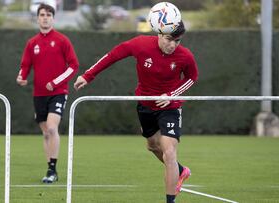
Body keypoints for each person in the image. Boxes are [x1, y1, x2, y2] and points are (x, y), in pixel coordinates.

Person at [74, 20, 198, 203]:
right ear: (159, 34)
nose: (172, 45)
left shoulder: (185, 56)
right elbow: (112, 55)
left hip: (170, 108)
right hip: (145, 105)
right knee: (152, 146)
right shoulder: (141, 44)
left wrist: (171, 95)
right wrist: (88, 75)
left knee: (169, 152)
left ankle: (170, 200)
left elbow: (192, 77)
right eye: (168, 39)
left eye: (177, 41)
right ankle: (181, 171)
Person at [16, 3, 79, 184]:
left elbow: (74, 65)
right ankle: (50, 169)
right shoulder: (32, 43)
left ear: (53, 18)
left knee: (52, 128)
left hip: (58, 92)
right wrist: (21, 77)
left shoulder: (62, 40)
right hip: (39, 94)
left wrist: (56, 82)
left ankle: (52, 170)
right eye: (42, 14)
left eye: (48, 14)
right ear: (37, 18)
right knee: (46, 133)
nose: (45, 17)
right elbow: (25, 65)